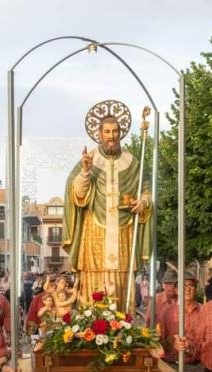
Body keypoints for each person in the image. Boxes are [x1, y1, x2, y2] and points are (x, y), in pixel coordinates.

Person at [63, 100, 152, 310]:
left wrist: (144, 201)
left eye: (115, 131)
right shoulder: (89, 160)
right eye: (107, 131)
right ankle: (90, 330)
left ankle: (124, 330)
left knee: (122, 279)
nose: (112, 136)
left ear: (121, 133)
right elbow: (77, 195)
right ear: (99, 134)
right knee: (94, 280)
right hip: (94, 231)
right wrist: (85, 172)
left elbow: (146, 188)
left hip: (124, 230)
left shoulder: (133, 162)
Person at [158, 269, 203, 372]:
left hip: (198, 369)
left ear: (195, 289)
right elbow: (159, 341)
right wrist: (172, 342)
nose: (187, 289)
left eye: (191, 285)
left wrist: (189, 346)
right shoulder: (167, 312)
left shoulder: (205, 311)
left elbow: (210, 342)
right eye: (183, 285)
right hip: (173, 366)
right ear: (177, 290)